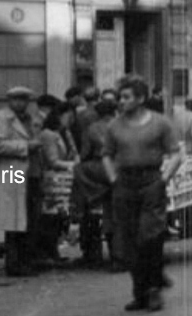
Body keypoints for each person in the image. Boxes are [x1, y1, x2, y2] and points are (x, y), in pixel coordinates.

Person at [102, 76, 182, 312]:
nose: (121, 101)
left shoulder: (160, 123)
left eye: (126, 97)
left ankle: (154, 289)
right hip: (124, 184)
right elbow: (106, 154)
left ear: (141, 98)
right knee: (128, 241)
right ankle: (140, 293)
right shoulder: (114, 126)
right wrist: (113, 179)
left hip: (151, 183)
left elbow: (176, 154)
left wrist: (164, 179)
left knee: (150, 236)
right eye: (120, 97)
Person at [0, 86, 44, 276]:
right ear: (10, 101)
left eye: (24, 100)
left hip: (31, 173)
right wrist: (25, 146)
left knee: (29, 220)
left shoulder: (31, 119)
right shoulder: (2, 118)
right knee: (14, 223)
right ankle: (14, 264)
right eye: (17, 99)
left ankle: (27, 261)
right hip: (12, 172)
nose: (21, 103)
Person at [71, 99, 118, 267]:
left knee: (79, 170)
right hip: (124, 171)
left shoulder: (92, 128)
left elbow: (85, 154)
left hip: (102, 171)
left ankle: (89, 197)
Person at [36, 109, 76, 263]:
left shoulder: (62, 134)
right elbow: (53, 160)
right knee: (52, 217)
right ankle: (49, 251)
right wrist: (72, 164)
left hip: (60, 181)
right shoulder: (49, 135)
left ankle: (52, 251)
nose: (70, 121)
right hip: (52, 181)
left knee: (57, 217)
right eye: (67, 117)